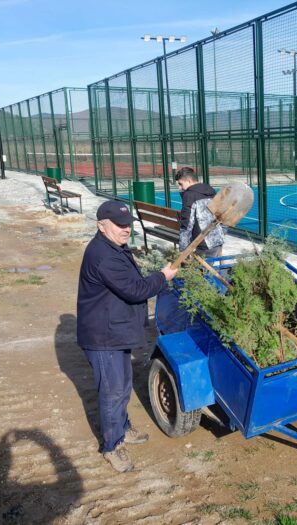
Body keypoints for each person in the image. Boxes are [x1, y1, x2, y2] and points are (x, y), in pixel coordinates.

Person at [77, 200, 177, 472]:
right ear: (101, 225)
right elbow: (136, 290)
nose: (126, 229)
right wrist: (163, 276)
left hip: (115, 329)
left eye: (128, 224)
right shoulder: (104, 255)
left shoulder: (114, 246)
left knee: (122, 386)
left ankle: (122, 427)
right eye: (119, 225)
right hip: (103, 336)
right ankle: (112, 445)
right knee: (112, 392)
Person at [175, 166, 225, 258]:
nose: (180, 187)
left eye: (180, 184)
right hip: (217, 239)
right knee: (210, 265)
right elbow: (221, 214)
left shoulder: (189, 195)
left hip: (202, 242)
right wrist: (223, 233)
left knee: (199, 267)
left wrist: (183, 248)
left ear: (189, 181)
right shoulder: (211, 190)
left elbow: (187, 223)